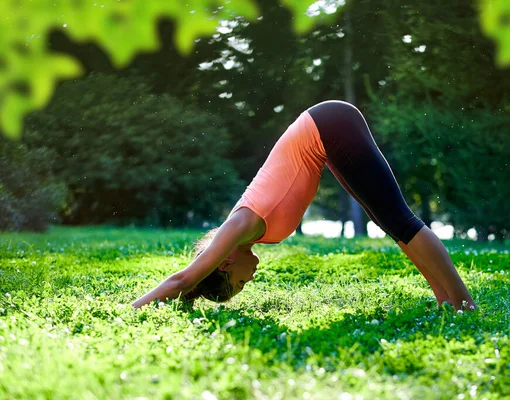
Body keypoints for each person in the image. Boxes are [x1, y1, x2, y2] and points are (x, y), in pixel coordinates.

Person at [133, 100, 477, 311]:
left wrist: (132, 308)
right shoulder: (247, 236)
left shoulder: (237, 228)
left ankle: (464, 303)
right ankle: (445, 299)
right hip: (324, 136)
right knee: (391, 223)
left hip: (328, 127)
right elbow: (187, 286)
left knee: (401, 220)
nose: (247, 282)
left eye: (238, 284)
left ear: (224, 264)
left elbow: (181, 279)